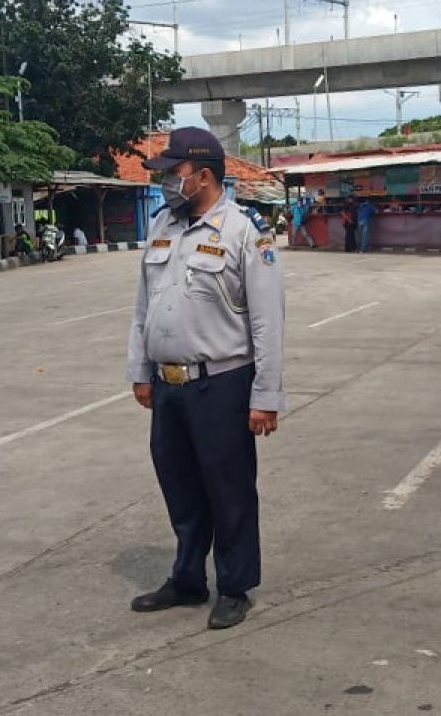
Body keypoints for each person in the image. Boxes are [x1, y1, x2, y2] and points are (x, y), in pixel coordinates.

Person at [126, 127, 285, 630]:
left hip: (222, 383)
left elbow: (268, 321)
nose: (169, 183)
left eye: (175, 174)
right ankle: (188, 578)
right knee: (180, 487)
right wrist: (140, 370)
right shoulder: (162, 227)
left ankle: (235, 586)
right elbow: (142, 307)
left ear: (204, 176)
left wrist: (266, 396)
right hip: (169, 385)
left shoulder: (244, 231)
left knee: (229, 490)